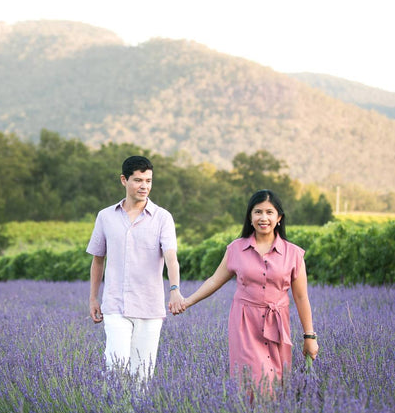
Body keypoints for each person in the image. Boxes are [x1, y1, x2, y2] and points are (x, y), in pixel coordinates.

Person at [170, 189, 318, 394]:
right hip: (245, 324)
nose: (263, 218)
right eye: (258, 212)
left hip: (277, 324)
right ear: (250, 217)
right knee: (252, 382)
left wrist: (309, 336)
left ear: (279, 218)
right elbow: (214, 280)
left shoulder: (293, 254)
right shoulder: (236, 249)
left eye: (269, 212)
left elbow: (301, 297)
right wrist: (187, 301)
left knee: (277, 384)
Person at [87, 155, 183, 381]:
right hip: (115, 306)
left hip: (149, 307)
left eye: (148, 181)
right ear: (124, 180)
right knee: (115, 369)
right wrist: (93, 298)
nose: (144, 186)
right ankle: (114, 406)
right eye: (138, 180)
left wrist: (175, 289)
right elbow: (98, 259)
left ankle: (137, 406)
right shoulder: (105, 217)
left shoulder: (162, 218)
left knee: (142, 376)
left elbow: (171, 257)